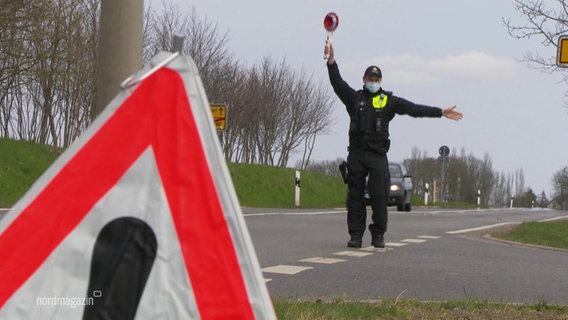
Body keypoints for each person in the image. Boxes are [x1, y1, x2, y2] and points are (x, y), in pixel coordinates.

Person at [324, 43, 463, 248]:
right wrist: (331, 62)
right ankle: (355, 235)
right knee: (354, 197)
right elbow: (337, 83)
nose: (373, 82)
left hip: (377, 155)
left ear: (381, 81)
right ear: (364, 80)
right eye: (370, 79)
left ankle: (378, 235)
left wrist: (440, 112)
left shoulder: (388, 101)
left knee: (380, 196)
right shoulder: (355, 98)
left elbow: (413, 109)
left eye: (376, 79)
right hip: (357, 154)